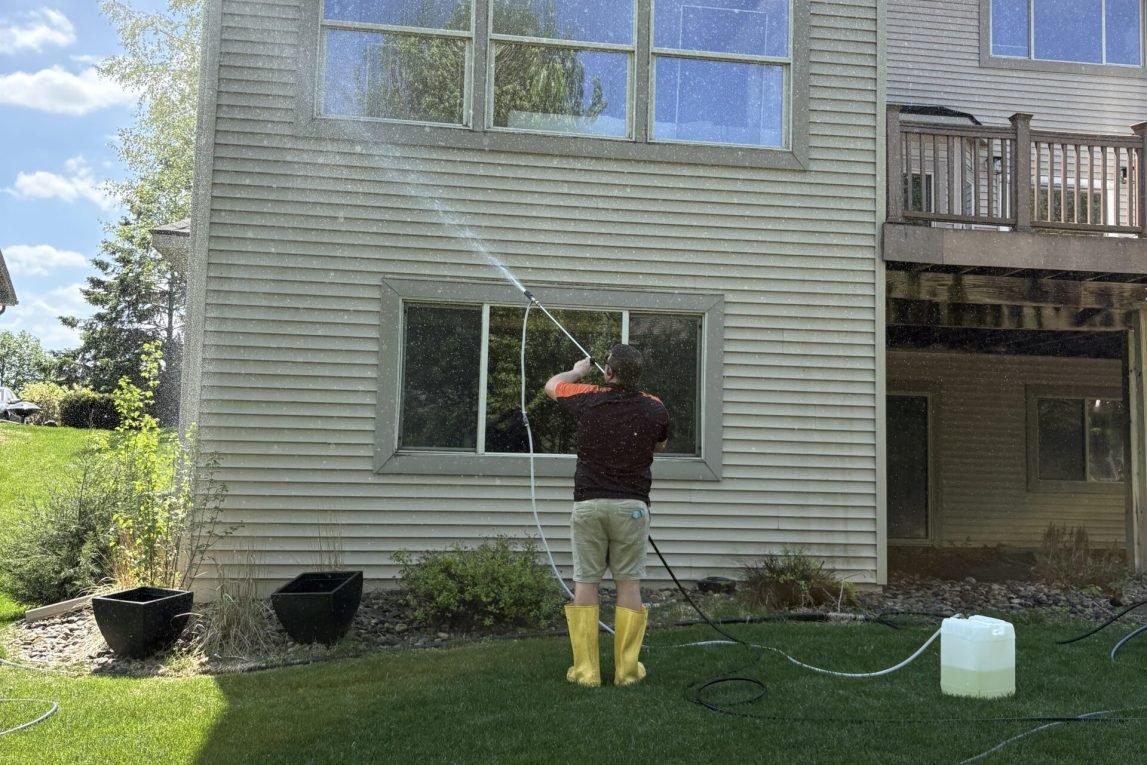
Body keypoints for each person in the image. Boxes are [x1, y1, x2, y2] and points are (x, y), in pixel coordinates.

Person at [544, 344, 668, 687]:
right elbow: (660, 444)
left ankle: (586, 673)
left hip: (589, 505)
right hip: (631, 508)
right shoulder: (654, 406)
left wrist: (577, 371)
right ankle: (627, 673)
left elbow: (552, 385)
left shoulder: (587, 396)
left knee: (587, 582)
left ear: (608, 372)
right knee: (628, 584)